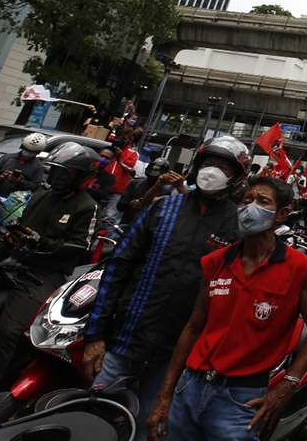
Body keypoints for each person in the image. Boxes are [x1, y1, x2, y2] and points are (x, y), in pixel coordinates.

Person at [82, 136, 247, 438]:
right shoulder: (162, 209)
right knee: (93, 420)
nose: (213, 172)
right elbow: (118, 267)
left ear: (236, 177)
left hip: (177, 359)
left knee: (149, 429)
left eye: (223, 167)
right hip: (125, 342)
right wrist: (95, 335)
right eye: (209, 164)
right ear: (197, 167)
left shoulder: (238, 227)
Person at [147, 176, 307, 440]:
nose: (249, 207)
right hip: (190, 386)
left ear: (282, 214)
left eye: (262, 201)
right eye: (246, 200)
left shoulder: (299, 268)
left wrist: (287, 385)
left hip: (240, 398)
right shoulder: (216, 262)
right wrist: (165, 396)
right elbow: (194, 327)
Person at [0, 142, 99, 441]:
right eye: (55, 171)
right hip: (10, 262)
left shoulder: (86, 206)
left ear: (81, 177)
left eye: (64, 173)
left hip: (40, 274)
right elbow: (13, 226)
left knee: (8, 333)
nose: (57, 177)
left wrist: (40, 246)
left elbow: (78, 249)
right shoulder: (39, 194)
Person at [0, 131, 46, 203]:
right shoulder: (7, 158)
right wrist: (1, 177)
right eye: (26, 150)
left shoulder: (38, 167)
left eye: (31, 152)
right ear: (22, 146)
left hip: (16, 203)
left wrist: (20, 181)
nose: (27, 153)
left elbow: (35, 187)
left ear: (38, 152)